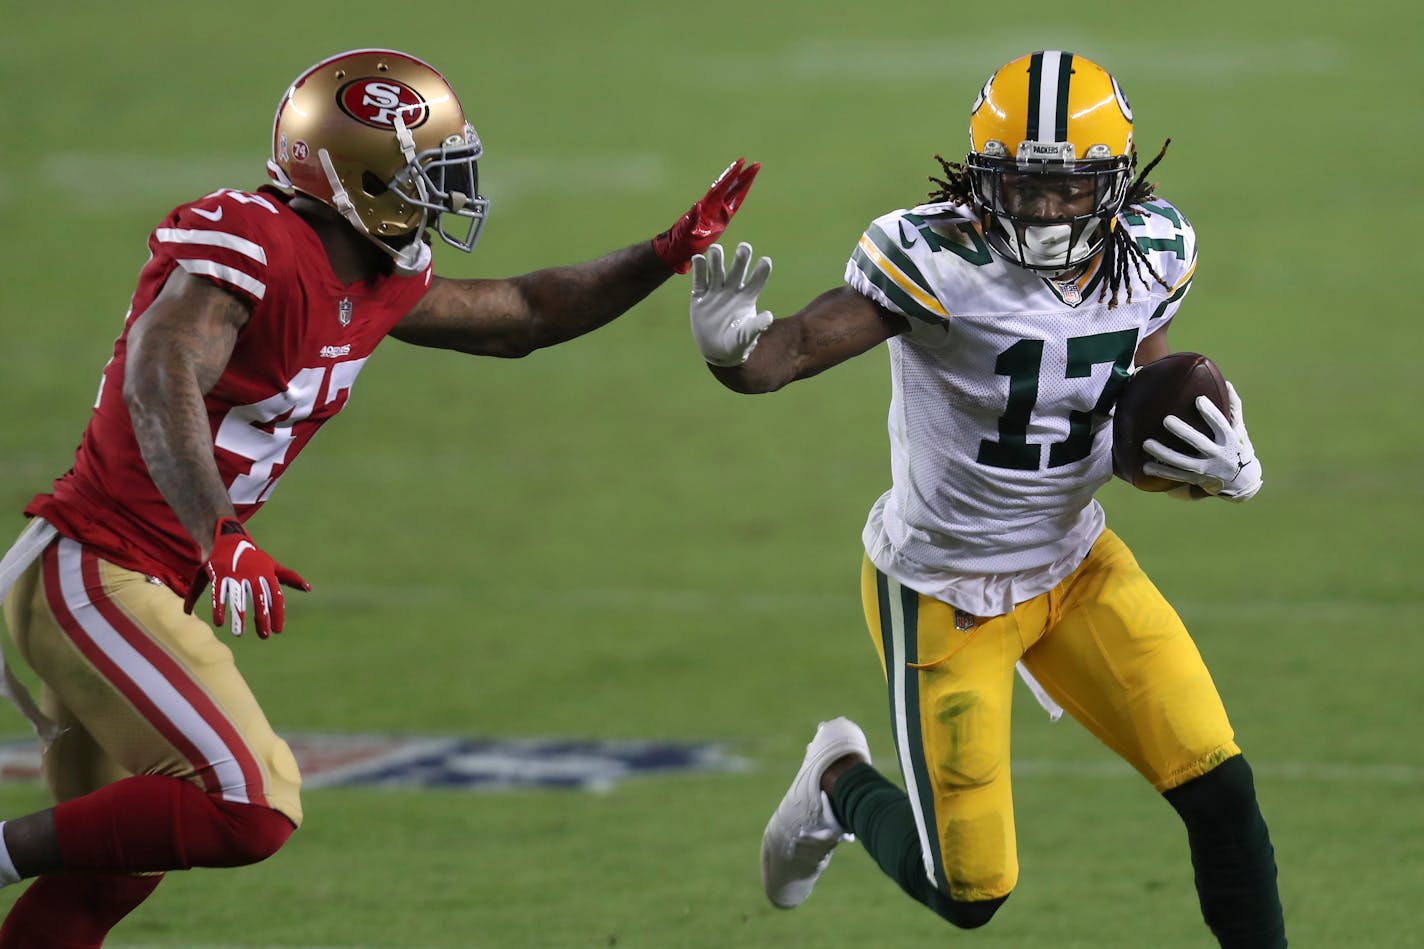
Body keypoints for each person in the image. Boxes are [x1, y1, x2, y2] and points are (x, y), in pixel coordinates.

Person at [0, 47, 757, 947]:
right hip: (93, 570)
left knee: (102, 881)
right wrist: (223, 532)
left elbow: (524, 313)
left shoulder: (374, 273)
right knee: (250, 803)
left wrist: (661, 255)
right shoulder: (257, 240)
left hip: (128, 579)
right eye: (423, 173)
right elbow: (158, 375)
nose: (443, 192)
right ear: (355, 176)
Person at [687, 50, 1285, 947]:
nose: (1045, 211)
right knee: (971, 892)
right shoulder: (939, 257)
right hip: (943, 587)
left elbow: (1140, 411)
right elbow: (800, 346)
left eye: (1070, 189)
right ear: (979, 179)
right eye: (1022, 185)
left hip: (1077, 563)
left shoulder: (1156, 250)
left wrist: (1221, 464)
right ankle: (837, 779)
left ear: (1118, 184)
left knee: (1221, 788)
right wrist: (736, 354)